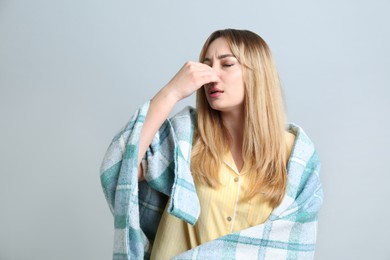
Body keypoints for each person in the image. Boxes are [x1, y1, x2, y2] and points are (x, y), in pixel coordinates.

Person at [100, 29, 323, 260]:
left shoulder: (295, 156)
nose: (212, 76)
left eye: (226, 64)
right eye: (206, 66)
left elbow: (294, 246)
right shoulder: (185, 138)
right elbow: (118, 171)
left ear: (257, 73)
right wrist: (171, 92)